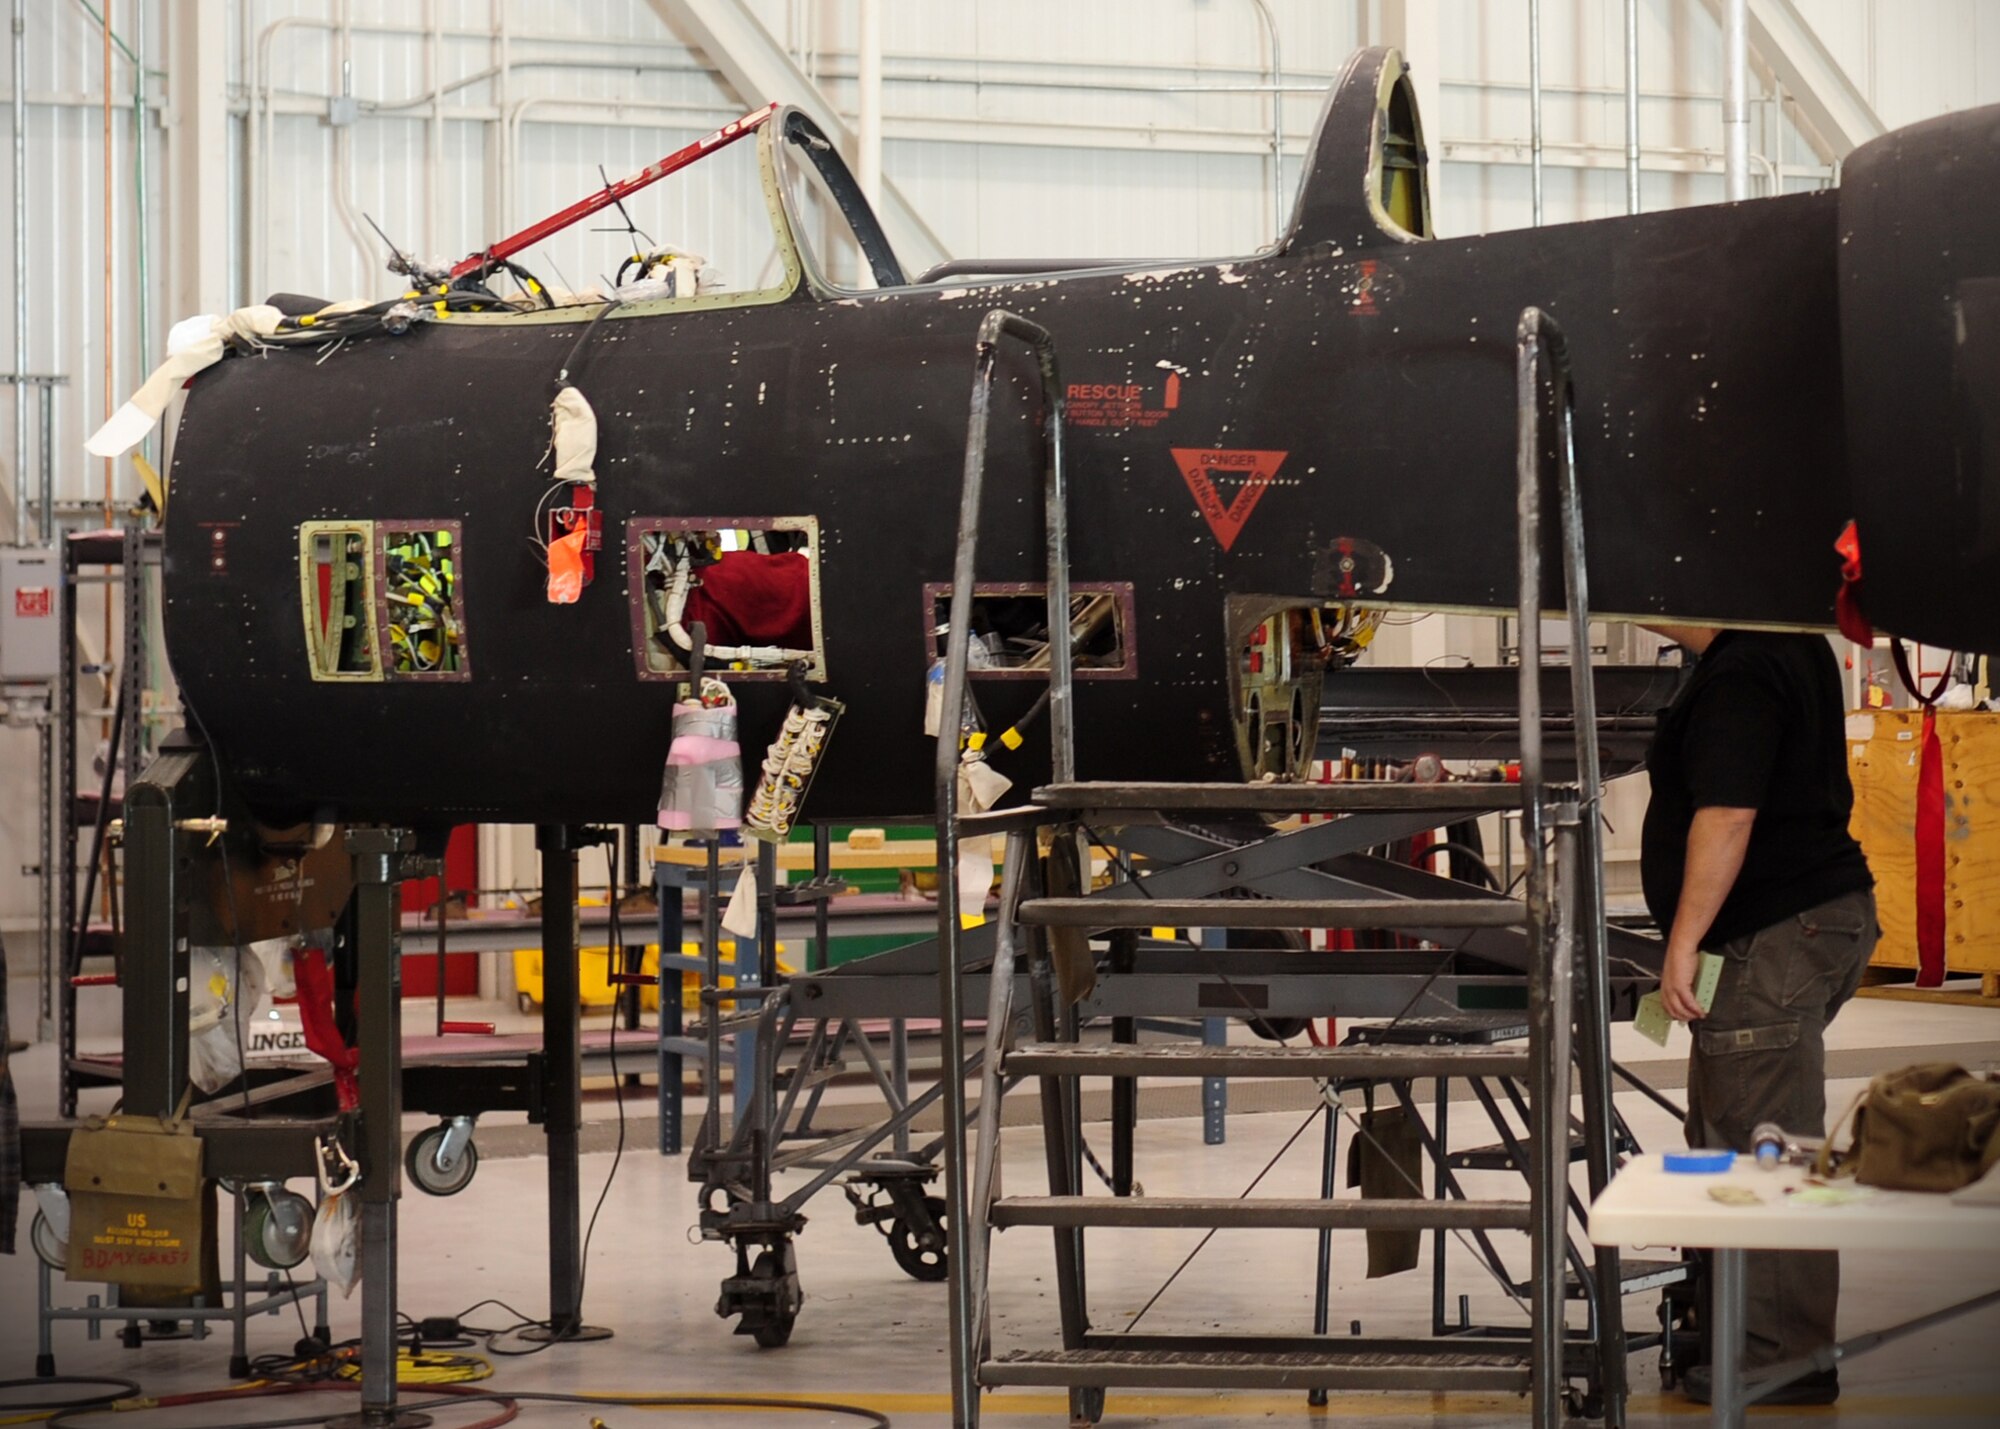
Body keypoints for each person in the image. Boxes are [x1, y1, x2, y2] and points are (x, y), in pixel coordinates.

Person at [1640, 625, 1876, 1406]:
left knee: (1760, 1143)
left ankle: (1786, 1355)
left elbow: (1730, 814)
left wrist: (1682, 942)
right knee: (1727, 1130)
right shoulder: (1786, 641)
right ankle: (1748, 1328)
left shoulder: (1742, 670)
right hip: (1808, 920)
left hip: (1773, 932)